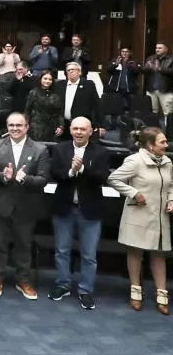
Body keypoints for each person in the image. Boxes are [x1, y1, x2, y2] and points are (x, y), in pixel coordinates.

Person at [0, 113, 49, 300]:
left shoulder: (40, 149)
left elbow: (44, 179)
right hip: (0, 204)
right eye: (11, 125)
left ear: (27, 126)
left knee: (24, 244)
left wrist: (25, 179)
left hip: (27, 205)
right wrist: (3, 176)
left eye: (19, 125)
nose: (14, 128)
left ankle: (23, 280)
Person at [108, 127, 173, 314]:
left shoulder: (167, 162)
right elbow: (114, 179)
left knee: (159, 253)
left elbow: (171, 185)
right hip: (139, 214)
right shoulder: (134, 161)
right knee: (136, 252)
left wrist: (171, 199)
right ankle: (135, 290)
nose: (166, 145)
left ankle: (162, 293)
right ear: (150, 145)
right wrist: (134, 193)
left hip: (160, 217)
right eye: (162, 142)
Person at [48, 117, 110, 310]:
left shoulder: (101, 152)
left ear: (91, 131)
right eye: (75, 128)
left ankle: (85, 290)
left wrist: (82, 169)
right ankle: (63, 284)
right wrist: (71, 172)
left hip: (89, 210)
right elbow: (55, 173)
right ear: (70, 130)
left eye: (83, 129)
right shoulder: (60, 149)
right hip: (64, 208)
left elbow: (102, 177)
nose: (79, 132)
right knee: (61, 251)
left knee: (89, 254)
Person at [24, 71, 62, 142]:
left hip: (52, 127)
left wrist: (61, 126)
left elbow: (59, 113)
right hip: (36, 127)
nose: (47, 81)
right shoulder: (33, 92)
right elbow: (27, 110)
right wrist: (25, 124)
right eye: (45, 78)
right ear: (40, 79)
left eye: (50, 79)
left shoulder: (55, 94)